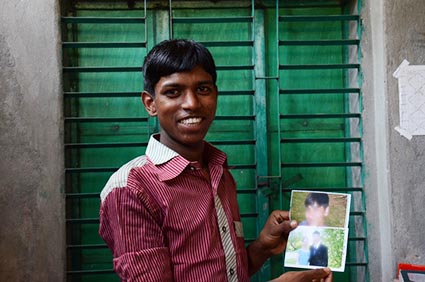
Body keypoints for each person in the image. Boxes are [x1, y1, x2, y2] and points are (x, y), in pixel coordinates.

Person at [98, 39, 333, 282]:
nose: (191, 103)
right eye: (172, 92)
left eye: (202, 89)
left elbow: (227, 274)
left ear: (215, 95)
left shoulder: (218, 171)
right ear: (150, 103)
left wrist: (262, 247)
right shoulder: (131, 189)